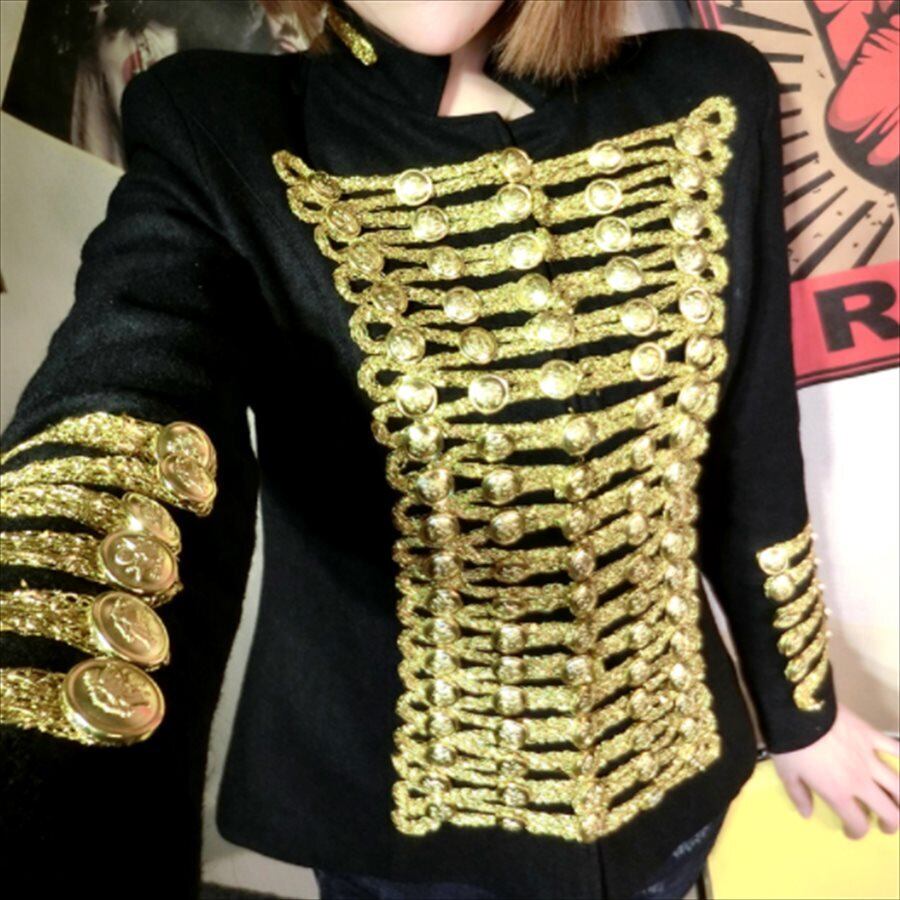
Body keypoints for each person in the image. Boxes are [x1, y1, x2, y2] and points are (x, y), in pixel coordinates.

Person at [0, 1, 897, 898]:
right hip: (399, 840)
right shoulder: (221, 121)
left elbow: (749, 447)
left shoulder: (709, 88)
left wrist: (803, 713)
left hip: (672, 782)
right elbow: (132, 379)